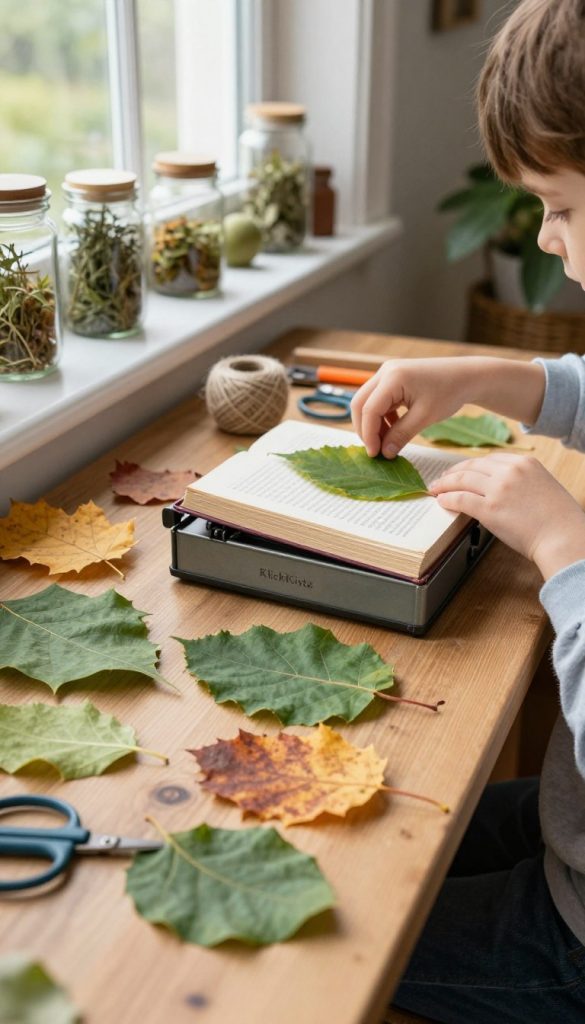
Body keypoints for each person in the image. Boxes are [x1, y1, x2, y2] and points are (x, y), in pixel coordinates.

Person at [351, 1, 585, 1021]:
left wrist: (565, 544)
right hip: (570, 826)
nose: (547, 237)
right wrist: (492, 377)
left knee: (344, 941)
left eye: (563, 206)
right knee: (371, 839)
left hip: (575, 933)